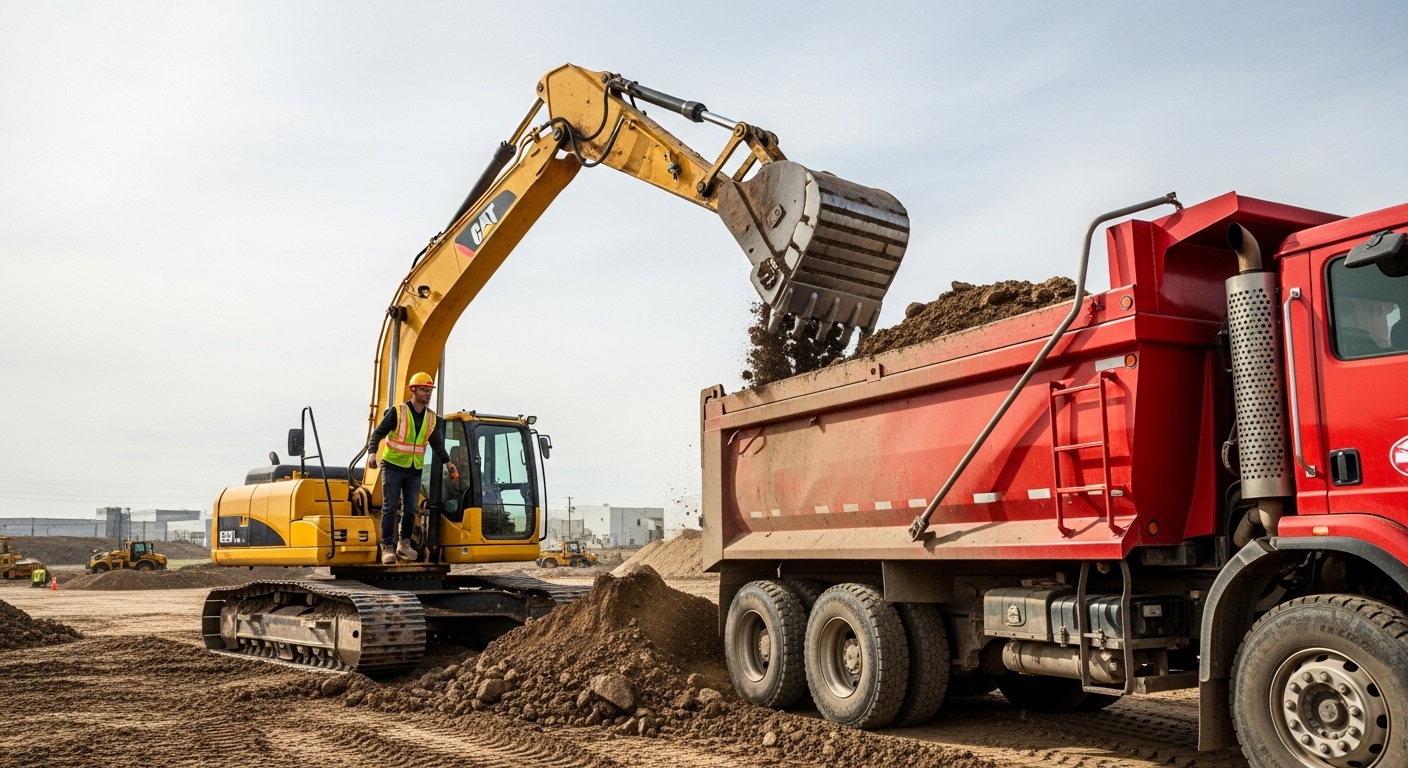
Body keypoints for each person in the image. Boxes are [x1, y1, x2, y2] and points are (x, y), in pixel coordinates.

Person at [367, 372, 458, 564]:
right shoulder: (398, 412)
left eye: (429, 391)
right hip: (392, 466)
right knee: (390, 507)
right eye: (424, 390)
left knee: (410, 509)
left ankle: (404, 545)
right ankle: (388, 548)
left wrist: (448, 462)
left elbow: (437, 444)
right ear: (413, 390)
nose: (428, 394)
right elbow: (377, 434)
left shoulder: (431, 418)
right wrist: (372, 452)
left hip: (414, 469)